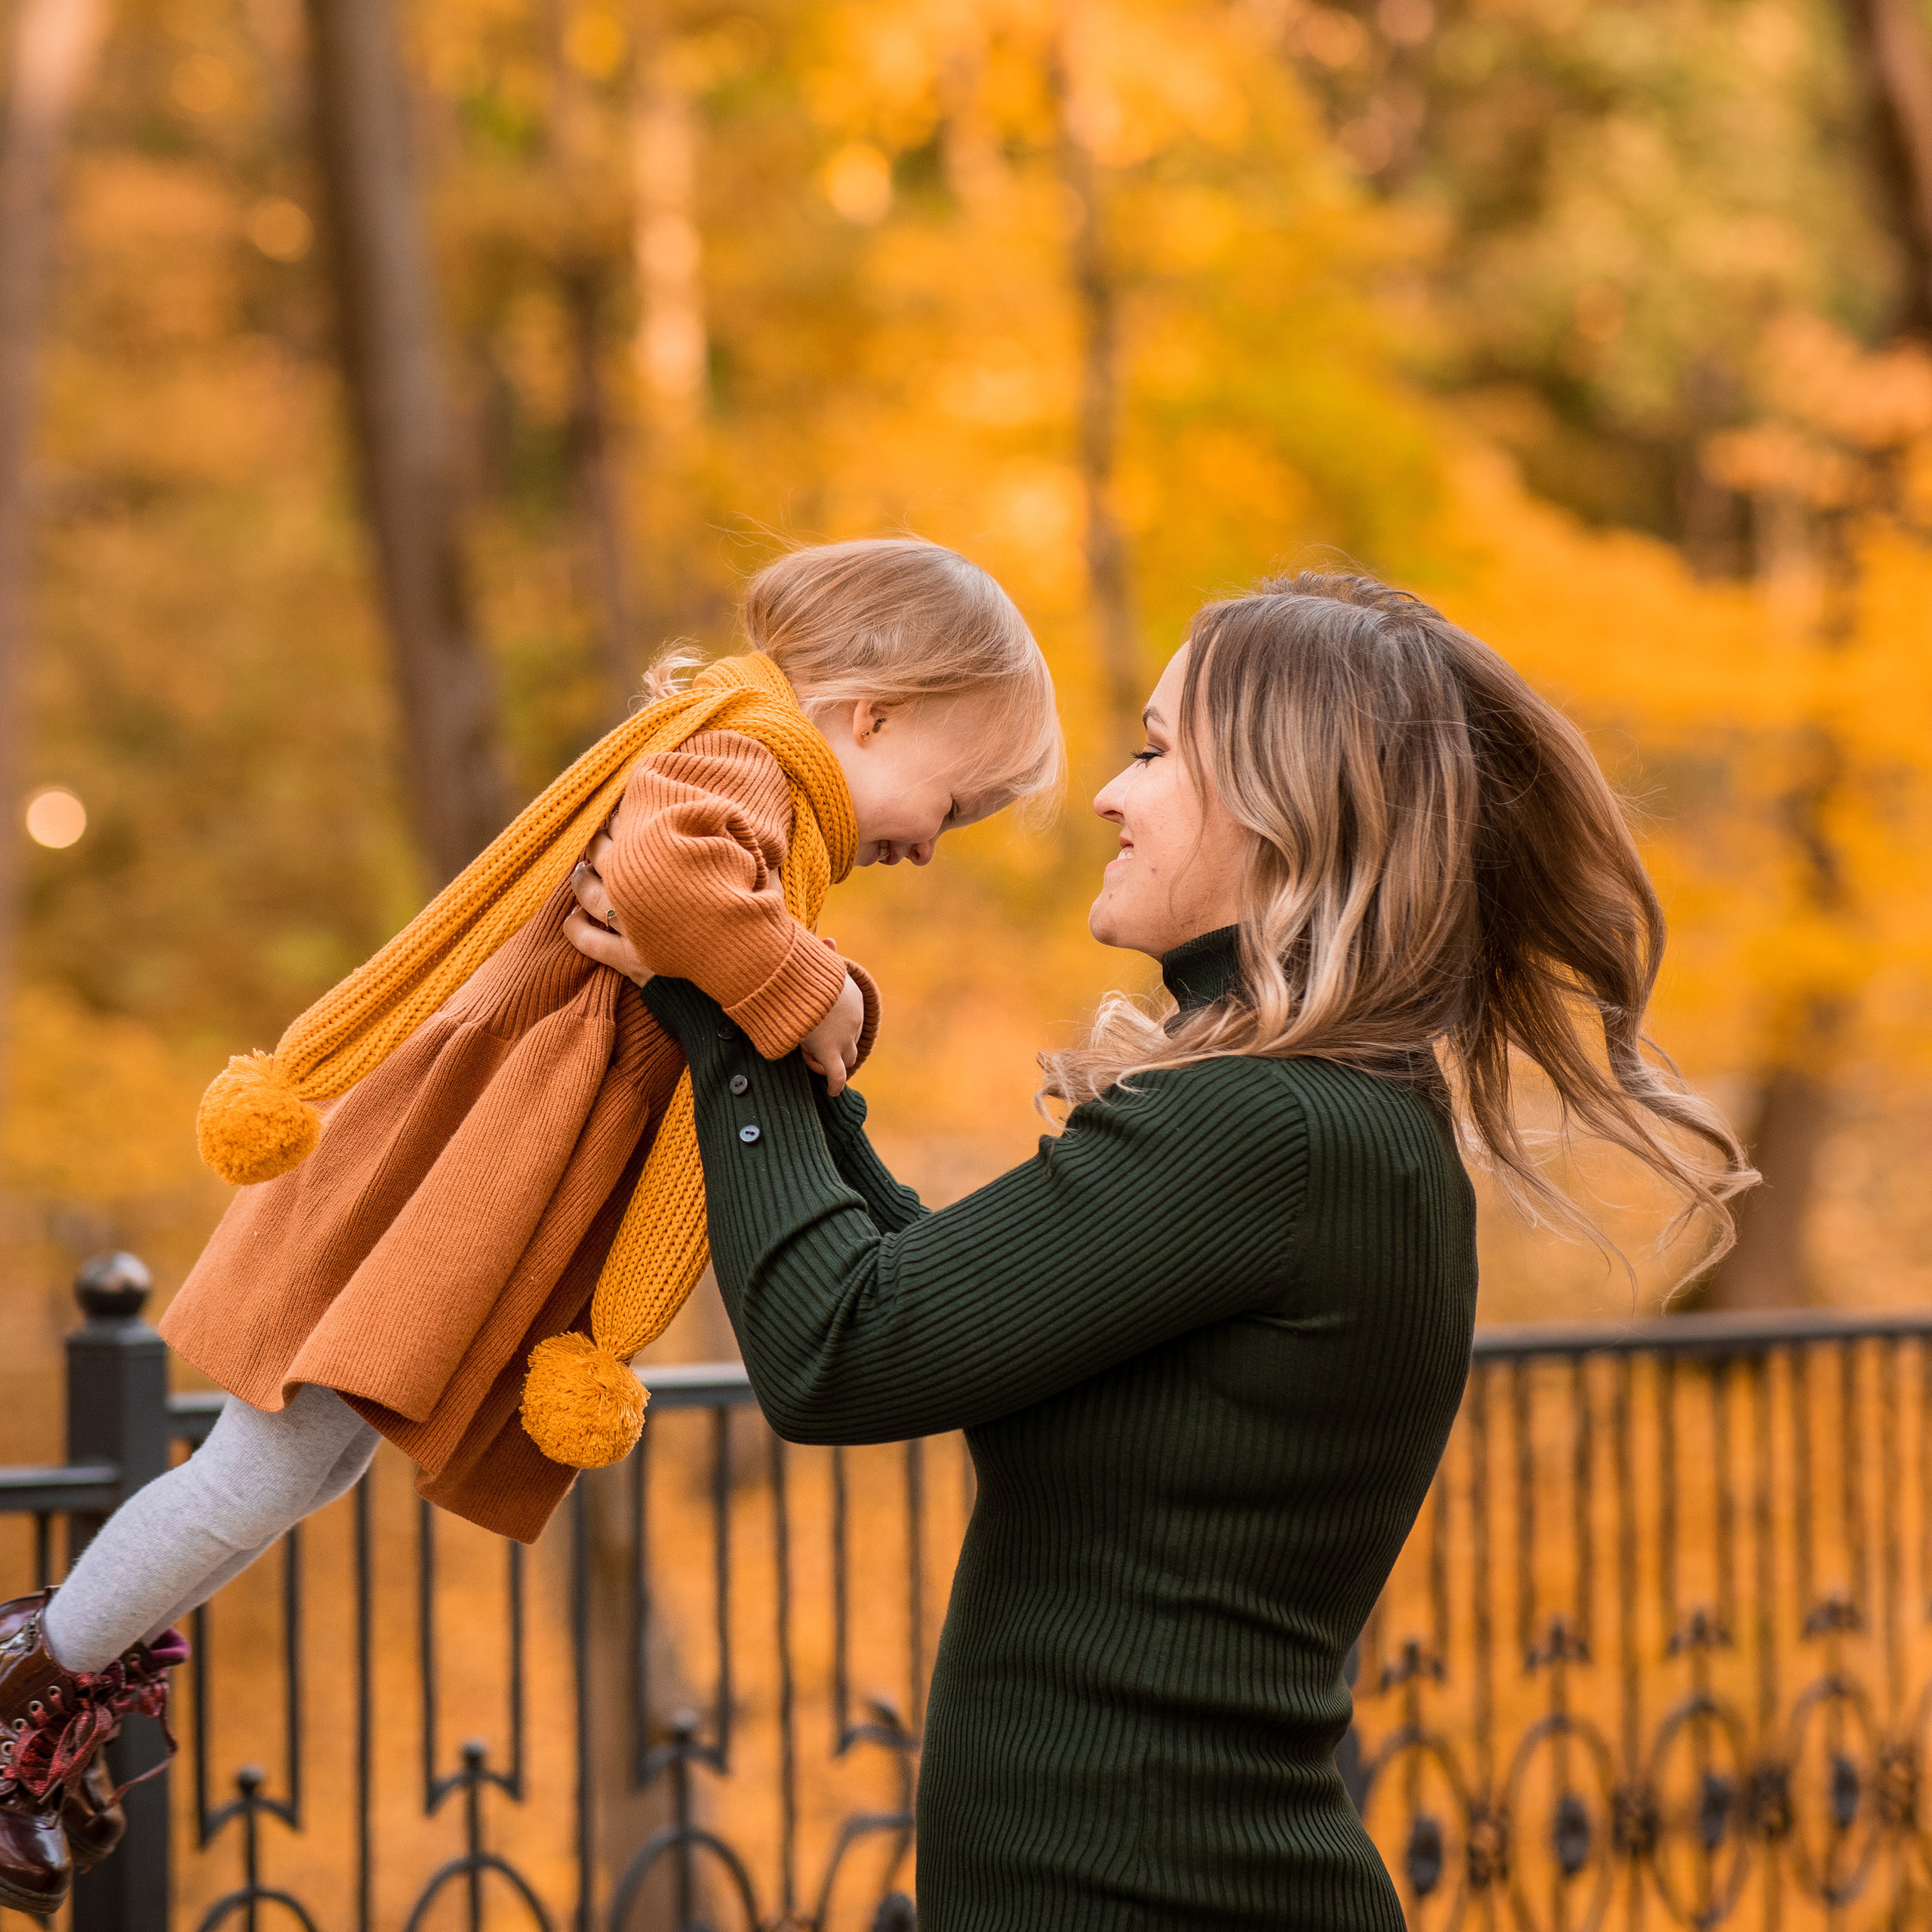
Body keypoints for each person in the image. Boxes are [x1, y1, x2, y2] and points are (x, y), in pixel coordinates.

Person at [567, 572, 1755, 1930]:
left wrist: (728, 1008)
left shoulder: (1274, 1131)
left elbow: (842, 1351)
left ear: (1283, 805)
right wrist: (787, 1039)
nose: (1110, 798)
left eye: (1154, 752)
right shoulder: (1320, 1118)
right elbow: (929, 1303)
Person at [0, 537, 1062, 1915]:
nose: (930, 843)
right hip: (443, 1171)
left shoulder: (761, 787)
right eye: (955, 804)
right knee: (261, 1469)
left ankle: (57, 1676)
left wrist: (831, 986)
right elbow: (677, 889)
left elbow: (712, 922)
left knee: (304, 1466)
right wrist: (829, 999)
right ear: (875, 714)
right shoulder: (749, 760)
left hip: (472, 1172)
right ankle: (33, 1688)